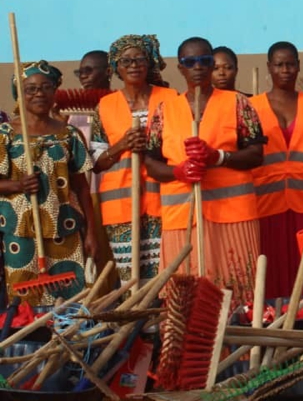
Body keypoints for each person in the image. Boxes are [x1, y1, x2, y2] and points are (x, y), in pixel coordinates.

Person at [144, 37, 265, 305]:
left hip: (234, 217)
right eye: (190, 62)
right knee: (186, 295)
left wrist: (218, 157)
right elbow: (150, 163)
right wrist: (178, 172)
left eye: (205, 61)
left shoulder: (238, 104)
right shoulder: (164, 111)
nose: (198, 67)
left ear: (212, 64)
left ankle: (238, 347)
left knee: (237, 291)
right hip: (182, 219)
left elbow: (257, 154)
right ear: (180, 69)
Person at [0, 61, 99, 306]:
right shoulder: (5, 134)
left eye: (46, 87)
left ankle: (67, 341)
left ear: (55, 91)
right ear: (19, 94)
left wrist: (92, 233)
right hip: (20, 232)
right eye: (31, 89)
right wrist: (18, 186)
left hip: (64, 229)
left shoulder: (69, 134)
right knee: (24, 300)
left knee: (70, 299)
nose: (39, 94)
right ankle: (31, 343)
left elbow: (82, 187)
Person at [92, 35, 178, 285]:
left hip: (164, 201)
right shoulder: (105, 106)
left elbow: (180, 143)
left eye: (139, 59)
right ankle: (136, 323)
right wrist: (122, 145)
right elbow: (97, 161)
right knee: (130, 278)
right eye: (125, 60)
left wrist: (153, 146)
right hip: (120, 206)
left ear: (149, 62)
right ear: (115, 67)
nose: (133, 65)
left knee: (164, 274)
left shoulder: (171, 98)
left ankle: (159, 324)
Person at [250, 41, 303, 298]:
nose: (285, 70)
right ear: (269, 68)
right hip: (267, 203)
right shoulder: (251, 106)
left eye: (290, 64)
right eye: (279, 65)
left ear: (298, 67)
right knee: (273, 268)